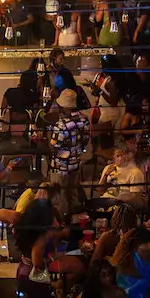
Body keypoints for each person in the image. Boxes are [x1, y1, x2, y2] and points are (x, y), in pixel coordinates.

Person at [47, 89, 90, 219]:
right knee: (73, 192)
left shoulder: (61, 125)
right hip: (76, 162)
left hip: (61, 166)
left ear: (63, 106)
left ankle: (62, 221)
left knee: (59, 195)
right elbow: (85, 140)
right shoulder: (84, 119)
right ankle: (74, 221)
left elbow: (54, 148)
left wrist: (48, 137)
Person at [94, 144, 147, 210]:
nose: (120, 158)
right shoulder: (108, 168)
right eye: (118, 156)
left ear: (128, 156)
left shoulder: (135, 172)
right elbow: (100, 192)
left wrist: (120, 200)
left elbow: (136, 198)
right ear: (113, 157)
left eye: (122, 155)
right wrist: (106, 175)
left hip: (122, 205)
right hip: (106, 201)